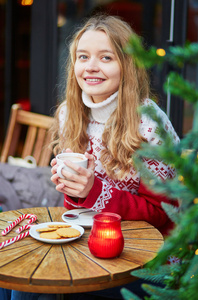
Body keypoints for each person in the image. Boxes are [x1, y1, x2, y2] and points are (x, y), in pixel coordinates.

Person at [0, 14, 179, 300]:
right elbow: (77, 209)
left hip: (148, 259)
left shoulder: (148, 122)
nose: (91, 67)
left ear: (127, 66)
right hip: (89, 244)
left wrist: (93, 190)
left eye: (106, 58)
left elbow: (161, 213)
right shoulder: (70, 113)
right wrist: (73, 187)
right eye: (83, 57)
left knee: (35, 286)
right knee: (15, 276)